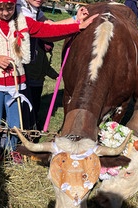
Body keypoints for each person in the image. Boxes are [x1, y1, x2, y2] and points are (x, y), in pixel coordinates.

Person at [0, 0, 97, 164]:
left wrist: (76, 27)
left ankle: (13, 149)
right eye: (0, 8)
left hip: (17, 82)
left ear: (14, 5)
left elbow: (47, 30)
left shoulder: (23, 20)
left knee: (16, 121)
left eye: (9, 8)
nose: (5, 12)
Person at [15, 0, 88, 130]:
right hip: (14, 64)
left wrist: (76, 18)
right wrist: (76, 26)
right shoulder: (19, 8)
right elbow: (44, 31)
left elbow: (49, 24)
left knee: (29, 96)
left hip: (28, 62)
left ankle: (29, 125)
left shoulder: (32, 8)